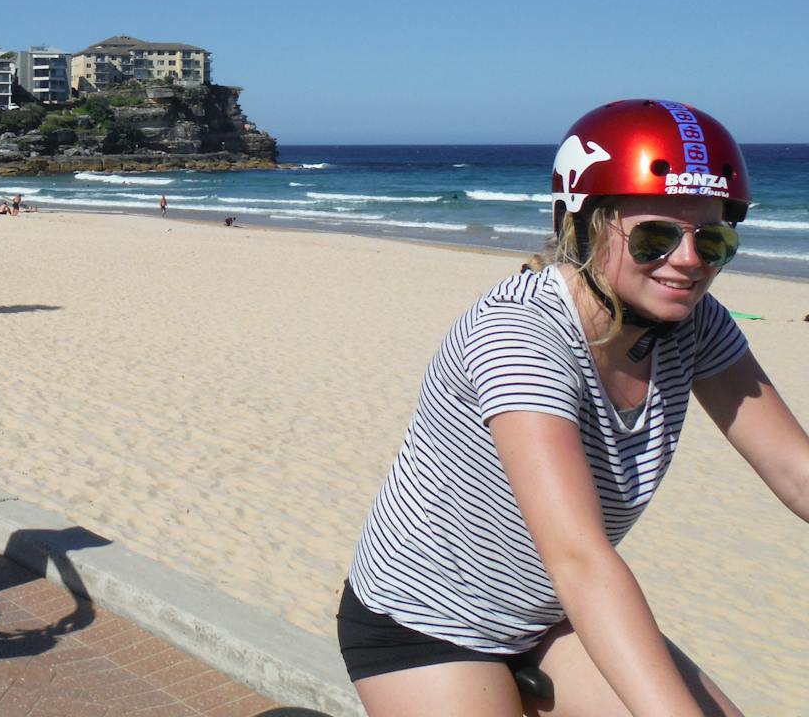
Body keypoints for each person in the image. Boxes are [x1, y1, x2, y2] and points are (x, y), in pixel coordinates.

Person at [339, 100, 809, 715]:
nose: (690, 261)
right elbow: (580, 556)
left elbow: (795, 470)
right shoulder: (522, 336)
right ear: (581, 226)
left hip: (550, 613)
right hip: (427, 621)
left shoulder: (695, 324)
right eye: (655, 236)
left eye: (713, 237)